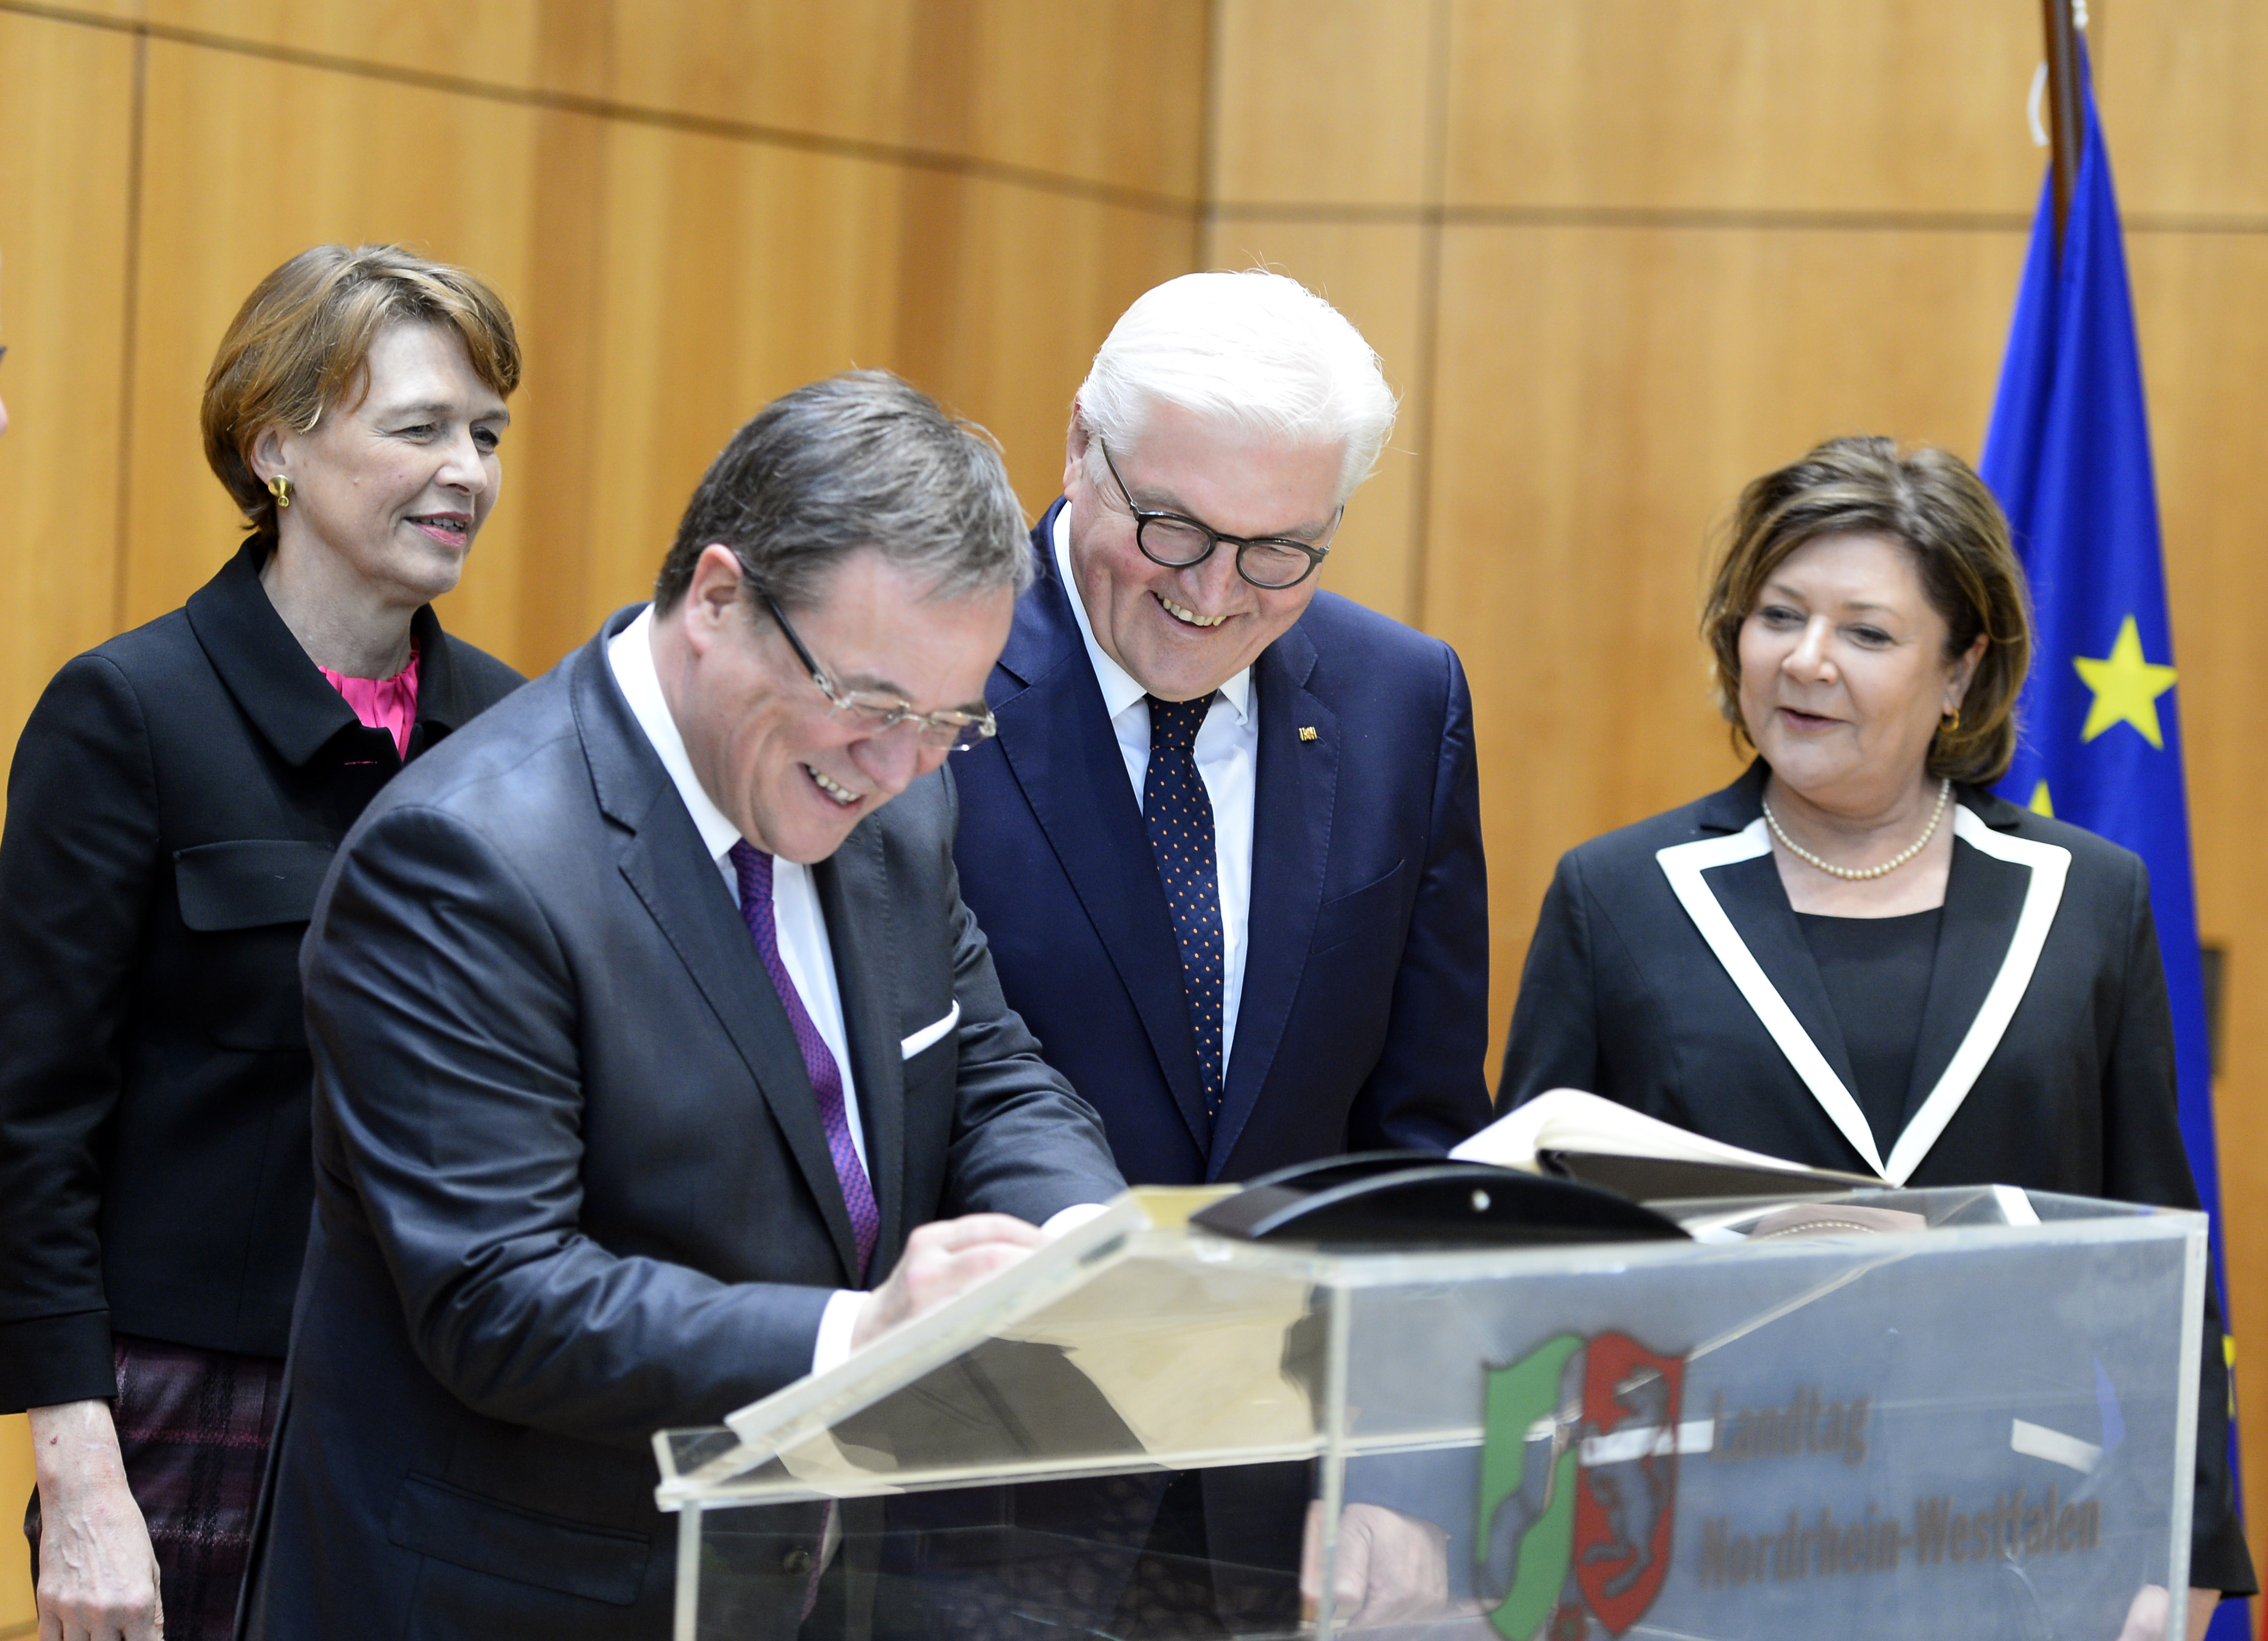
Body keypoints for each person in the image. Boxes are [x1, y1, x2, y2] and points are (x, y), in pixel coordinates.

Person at [235, 371, 1128, 1640]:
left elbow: (984, 1066)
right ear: (717, 600)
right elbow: (499, 1298)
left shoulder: (895, 803)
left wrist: (1087, 1244)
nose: (899, 765)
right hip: (521, 1596)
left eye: (948, 719)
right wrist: (859, 1336)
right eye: (871, 703)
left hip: (805, 1585)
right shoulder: (463, 862)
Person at [1498, 435, 2257, 1631]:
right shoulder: (1621, 897)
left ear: (1962, 671)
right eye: (1778, 616)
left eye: (1866, 632)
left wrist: (2188, 1541)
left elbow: (2154, 1261)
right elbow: (1513, 1253)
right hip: (1690, 1557)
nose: (1807, 660)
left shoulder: (2086, 900)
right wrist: (1490, 1539)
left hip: (2016, 1549)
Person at [940, 270, 1491, 1633]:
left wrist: (1406, 1474)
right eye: (1174, 528)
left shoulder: (1402, 699)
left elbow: (1418, 1143)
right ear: (1082, 446)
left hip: (1278, 1517)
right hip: (967, 1497)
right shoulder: (924, 668)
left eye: (1280, 551)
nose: (1214, 594)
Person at [0, 243, 525, 1641]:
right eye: (419, 428)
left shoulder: (522, 735)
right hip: (189, 1411)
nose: (466, 472)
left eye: (486, 434)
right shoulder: (126, 713)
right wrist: (81, 1478)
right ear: (275, 444)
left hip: (450, 1409)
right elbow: (30, 1124)